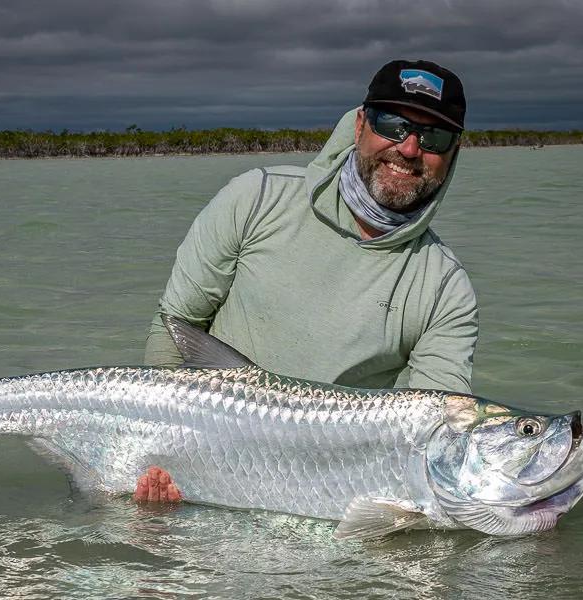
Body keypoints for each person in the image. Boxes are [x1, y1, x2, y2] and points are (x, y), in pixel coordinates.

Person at [134, 59, 477, 503]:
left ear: (453, 152)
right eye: (392, 125)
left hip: (331, 492)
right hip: (197, 465)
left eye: (435, 137)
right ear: (359, 125)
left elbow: (437, 430)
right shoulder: (255, 198)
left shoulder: (446, 287)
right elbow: (175, 323)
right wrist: (160, 453)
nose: (409, 149)